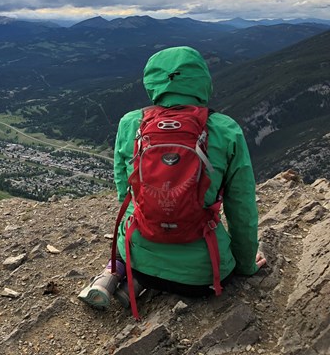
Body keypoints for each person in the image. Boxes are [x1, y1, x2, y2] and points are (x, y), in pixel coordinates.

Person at [78, 46, 266, 311]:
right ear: (202, 80)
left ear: (152, 81)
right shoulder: (226, 129)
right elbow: (242, 209)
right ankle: (146, 276)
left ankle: (117, 275)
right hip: (204, 277)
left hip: (139, 263)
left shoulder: (131, 123)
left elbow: (127, 196)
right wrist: (246, 265)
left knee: (133, 225)